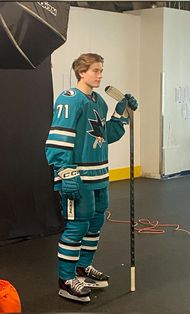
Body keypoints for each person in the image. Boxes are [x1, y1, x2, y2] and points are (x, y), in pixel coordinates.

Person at [45, 53, 138, 303]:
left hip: (99, 175)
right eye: (95, 70)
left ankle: (81, 268)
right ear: (81, 72)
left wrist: (121, 114)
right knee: (77, 227)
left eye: (101, 70)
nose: (100, 75)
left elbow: (105, 135)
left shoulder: (99, 102)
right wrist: (65, 172)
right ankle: (65, 279)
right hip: (79, 176)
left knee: (95, 224)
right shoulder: (70, 99)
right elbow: (58, 139)